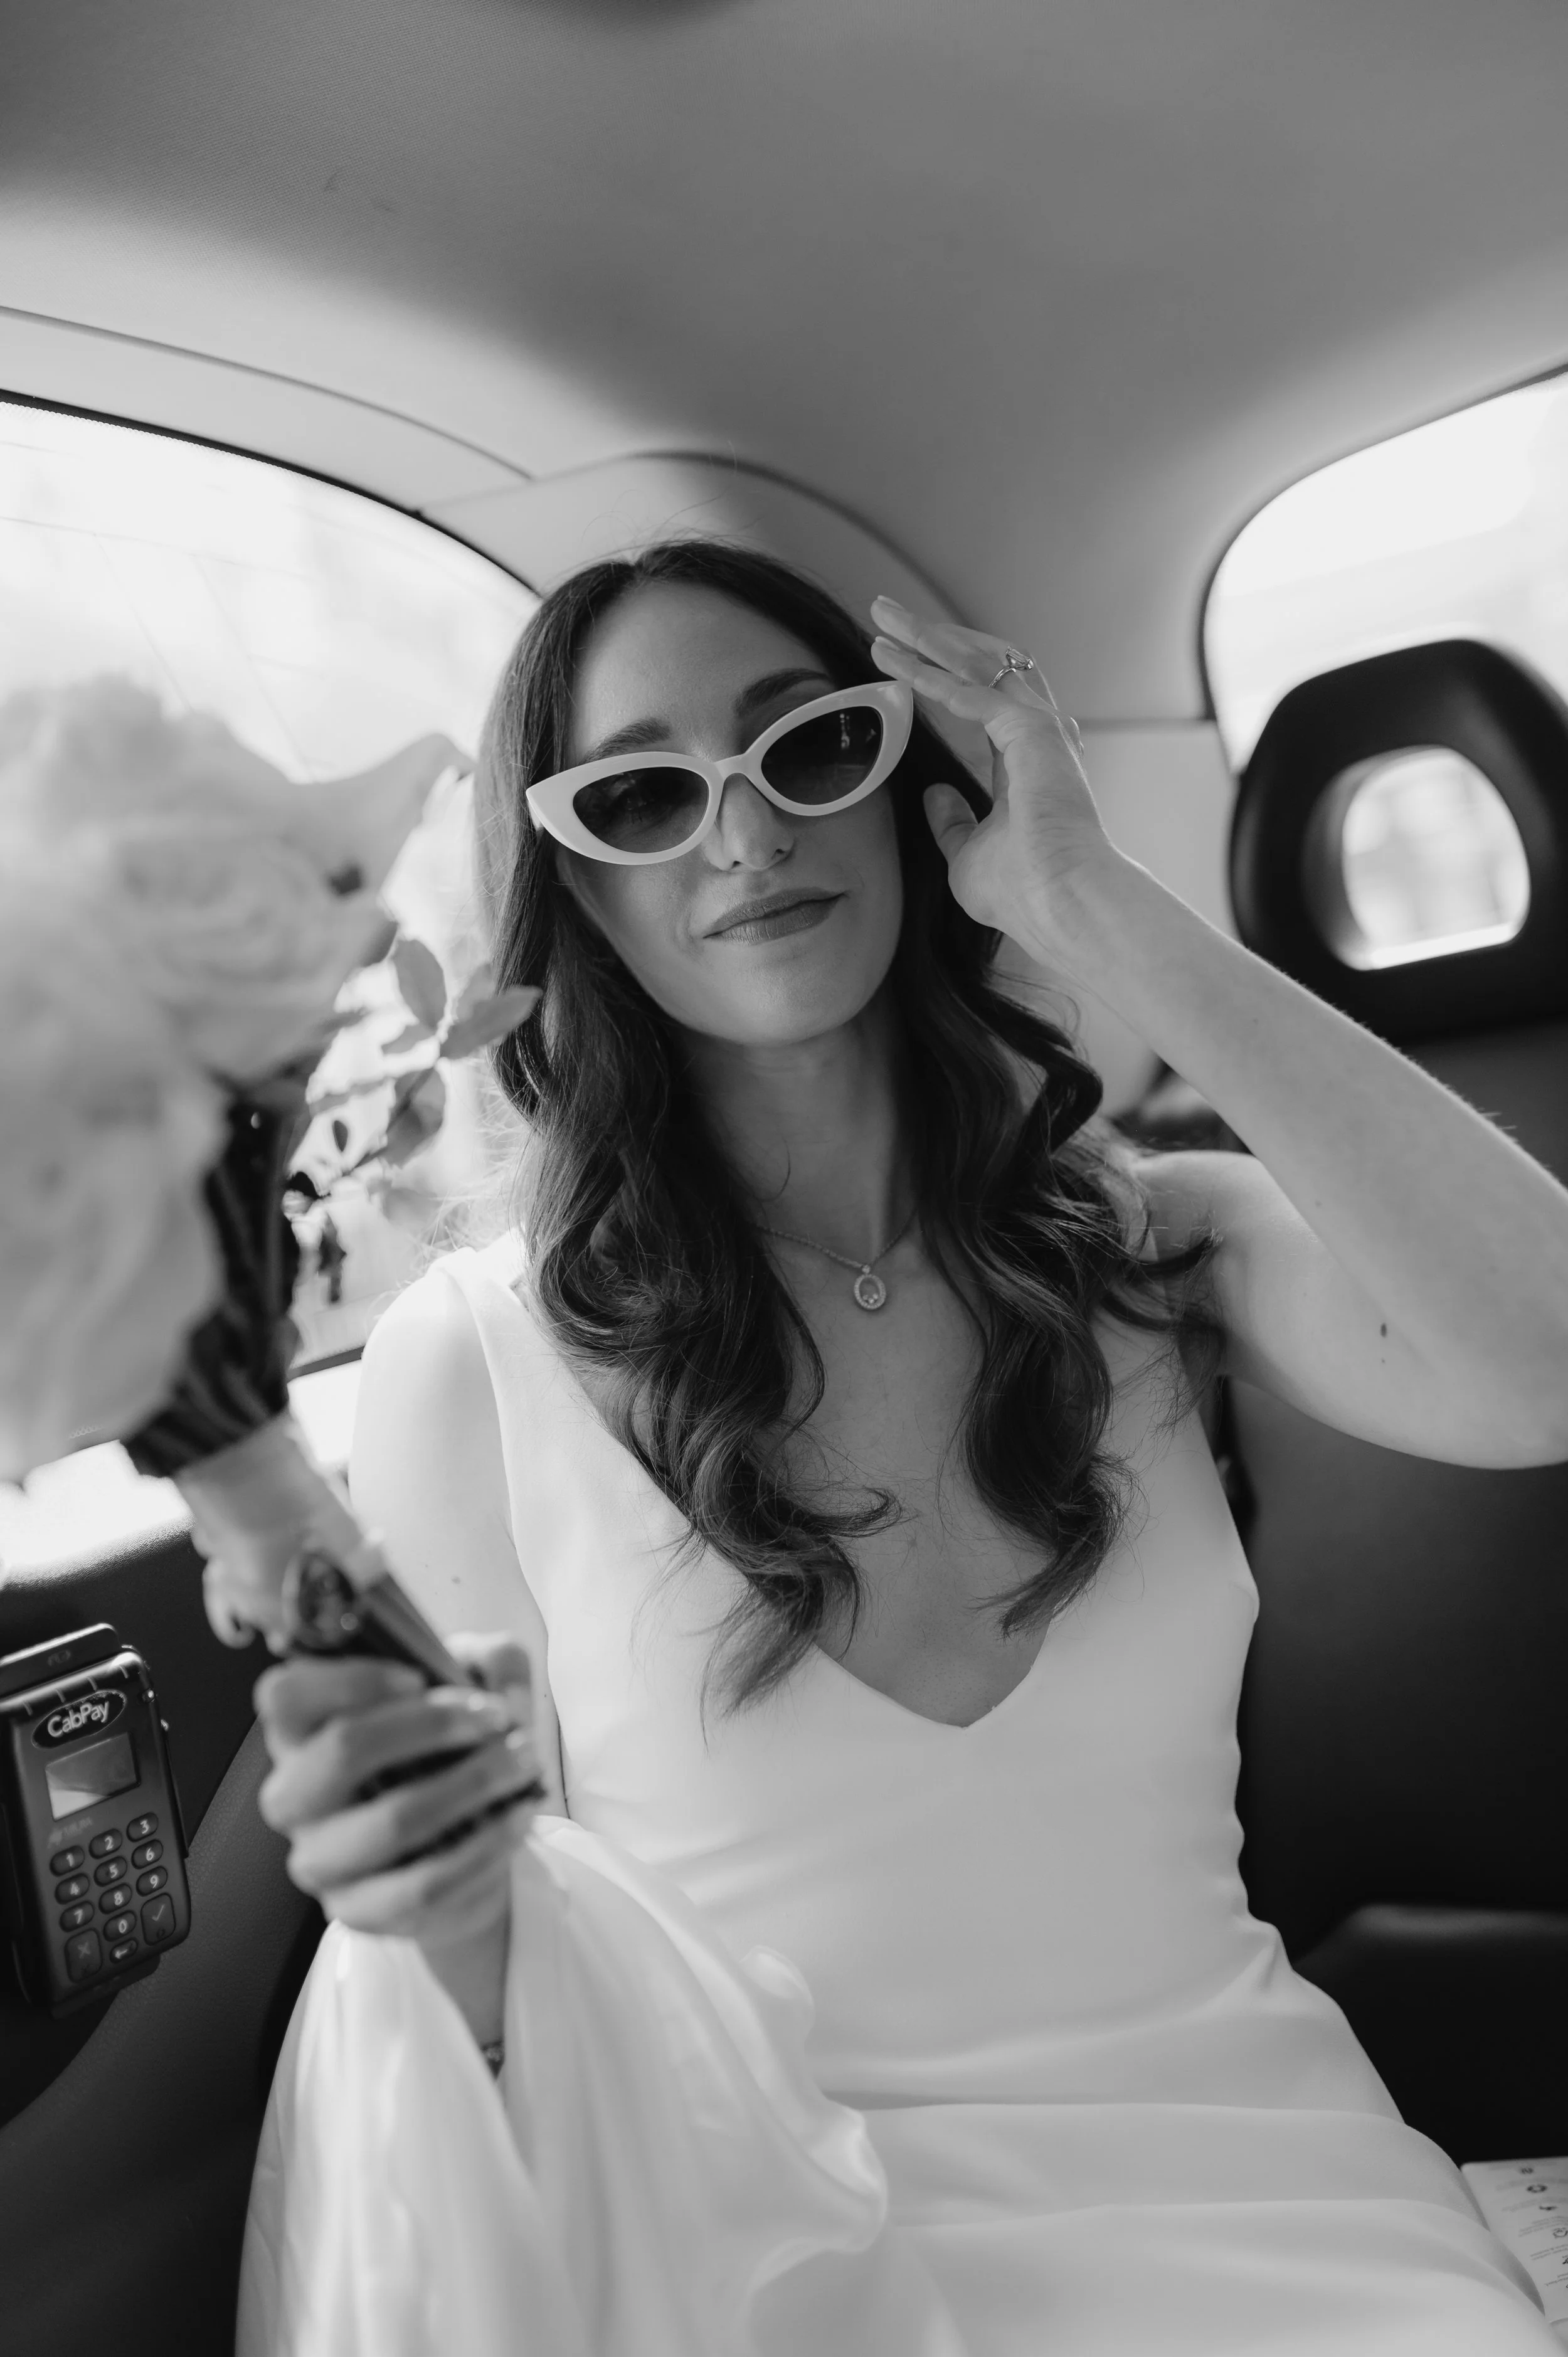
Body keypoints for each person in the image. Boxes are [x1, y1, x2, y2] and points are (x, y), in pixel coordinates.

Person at [255, 540, 1568, 2352]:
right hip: (776, 2268)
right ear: (574, 892)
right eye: (643, 795)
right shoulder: (472, 1367)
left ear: (907, 784)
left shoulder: (1151, 1244)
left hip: (1288, 2206)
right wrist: (412, 1894)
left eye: (809, 748)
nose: (743, 834)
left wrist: (1089, 896)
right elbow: (503, 2010)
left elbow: (1542, 1368)